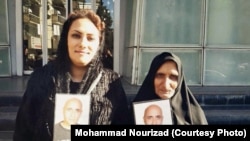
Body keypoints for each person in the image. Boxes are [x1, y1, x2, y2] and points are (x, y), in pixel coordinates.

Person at [13, 9, 130, 141]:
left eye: (90, 38)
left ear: (99, 44)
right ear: (66, 39)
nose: (83, 43)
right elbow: (23, 131)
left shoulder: (111, 83)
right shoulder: (41, 78)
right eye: (76, 35)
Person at [133, 52, 208, 125]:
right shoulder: (134, 113)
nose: (166, 85)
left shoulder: (194, 114)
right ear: (151, 78)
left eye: (173, 77)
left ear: (179, 80)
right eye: (160, 76)